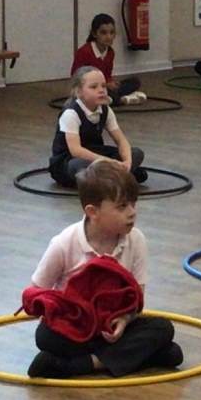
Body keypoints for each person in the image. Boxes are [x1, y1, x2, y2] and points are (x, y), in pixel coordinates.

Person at [23, 160, 182, 380]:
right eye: (122, 206)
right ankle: (123, 358)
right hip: (75, 328)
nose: (132, 213)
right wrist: (61, 311)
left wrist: (124, 320)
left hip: (115, 328)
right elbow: (35, 293)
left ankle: (85, 364)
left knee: (163, 329)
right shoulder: (64, 243)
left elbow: (137, 299)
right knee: (45, 336)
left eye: (133, 204)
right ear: (93, 211)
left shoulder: (136, 240)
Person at [51, 67, 146, 187]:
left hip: (95, 153)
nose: (101, 90)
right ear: (79, 92)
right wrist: (110, 162)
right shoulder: (71, 113)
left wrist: (127, 161)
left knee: (136, 153)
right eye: (93, 87)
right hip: (69, 160)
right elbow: (76, 151)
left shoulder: (106, 110)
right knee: (78, 165)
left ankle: (111, 176)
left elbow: (121, 140)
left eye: (103, 86)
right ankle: (117, 176)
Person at [72, 14, 144, 105]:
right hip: (88, 88)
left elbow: (107, 75)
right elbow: (77, 78)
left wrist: (110, 83)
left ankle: (115, 98)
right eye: (103, 33)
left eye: (112, 33)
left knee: (135, 82)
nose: (108, 37)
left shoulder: (110, 53)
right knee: (97, 94)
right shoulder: (84, 52)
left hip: (103, 87)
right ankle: (119, 99)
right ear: (94, 34)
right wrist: (104, 85)